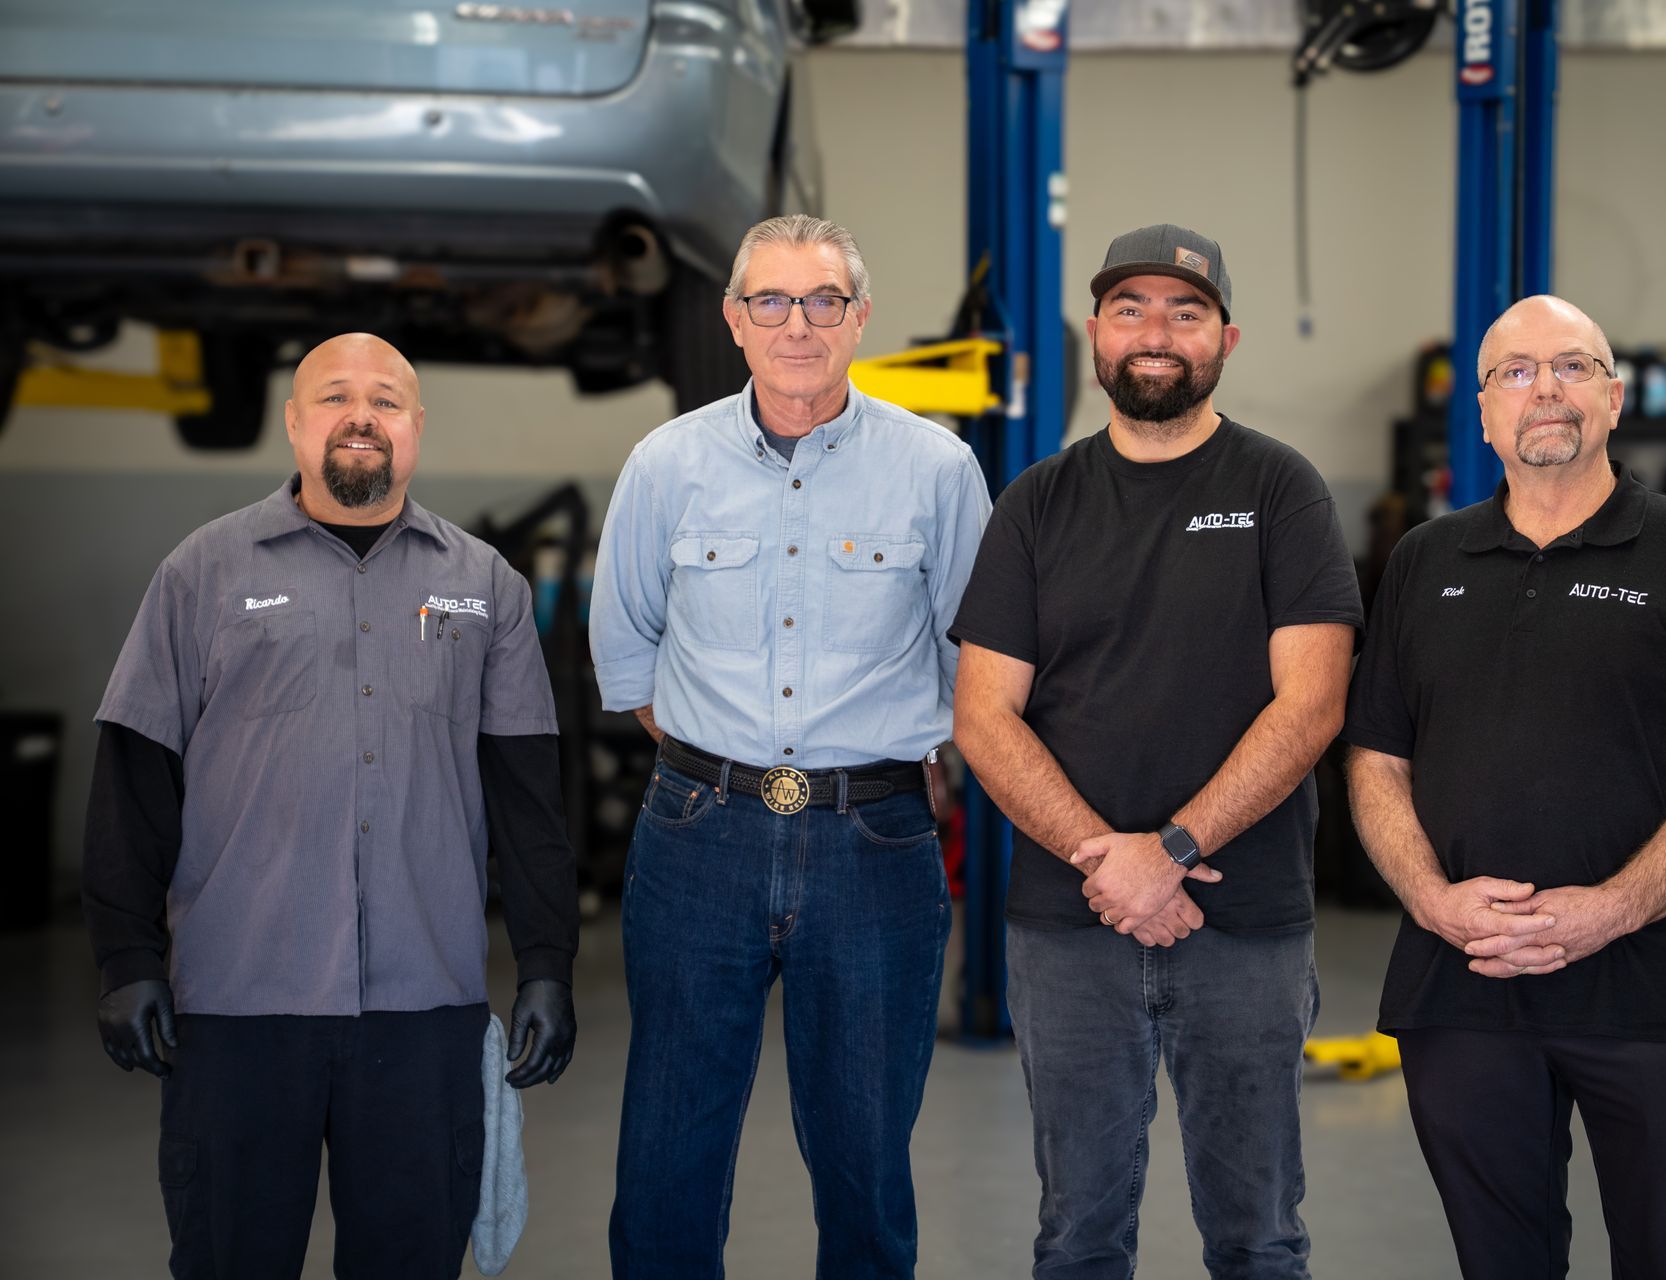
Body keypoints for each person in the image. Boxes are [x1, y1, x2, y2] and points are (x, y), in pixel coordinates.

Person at [84, 332, 580, 1280]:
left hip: (424, 1004)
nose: (362, 416)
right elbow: (133, 776)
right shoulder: (202, 572)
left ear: (417, 428)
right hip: (236, 1002)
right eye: (335, 397)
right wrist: (126, 958)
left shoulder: (488, 589)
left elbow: (527, 803)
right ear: (295, 422)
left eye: (387, 399)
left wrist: (547, 963)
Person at [1343, 295, 1666, 1280]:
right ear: (1481, 411)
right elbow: (1377, 760)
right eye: (1514, 371)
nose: (1543, 389)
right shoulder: (1426, 561)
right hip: (1458, 982)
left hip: (1644, 984)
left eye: (1571, 366)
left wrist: (1610, 909)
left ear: (1614, 397)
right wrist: (1432, 900)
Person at [951, 224, 1363, 1279]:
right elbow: (984, 716)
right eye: (1130, 307)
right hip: (1071, 929)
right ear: (1096, 332)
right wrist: (1109, 856)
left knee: (1259, 1236)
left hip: (1248, 921)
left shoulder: (1283, 489)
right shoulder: (1036, 503)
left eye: (1184, 311)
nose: (1155, 333)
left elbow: (1312, 703)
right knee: (1078, 1236)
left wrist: (1169, 847)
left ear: (1227, 337)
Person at [590, 214, 992, 1279]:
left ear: (859, 317)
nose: (797, 324)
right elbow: (629, 652)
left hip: (876, 839)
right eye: (770, 300)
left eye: (823, 300)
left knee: (866, 1158)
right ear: (733, 318)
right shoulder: (665, 464)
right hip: (697, 833)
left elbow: (976, 660)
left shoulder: (938, 470)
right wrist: (721, 763)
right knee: (670, 1146)